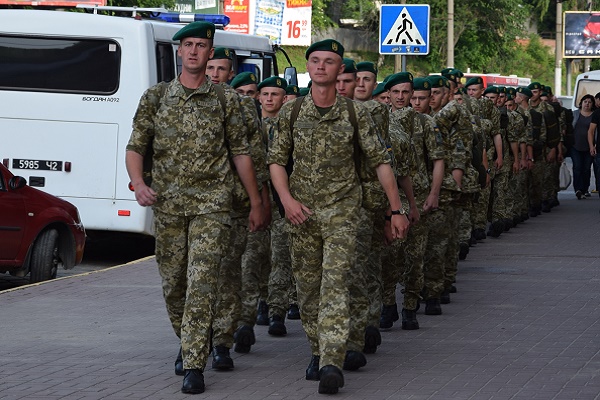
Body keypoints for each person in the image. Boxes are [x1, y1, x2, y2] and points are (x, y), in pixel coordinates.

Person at [125, 21, 264, 394]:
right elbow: (136, 147)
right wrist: (139, 184)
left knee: (202, 282)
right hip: (168, 206)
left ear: (209, 52)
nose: (193, 52)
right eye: (187, 45)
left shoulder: (226, 101)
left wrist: (255, 202)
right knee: (174, 285)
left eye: (200, 46)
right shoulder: (155, 97)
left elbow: (241, 154)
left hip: (213, 207)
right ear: (178, 51)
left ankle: (193, 363)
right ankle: (188, 341)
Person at [268, 39, 409, 395]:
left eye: (328, 62)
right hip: (302, 214)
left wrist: (396, 210)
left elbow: (381, 162)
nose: (320, 66)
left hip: (343, 212)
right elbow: (276, 162)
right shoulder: (292, 112)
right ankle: (317, 349)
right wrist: (286, 201)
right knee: (309, 288)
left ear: (339, 69)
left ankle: (331, 360)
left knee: (336, 283)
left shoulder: (355, 113)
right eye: (314, 61)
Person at [571, 94, 595, 199]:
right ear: (581, 103)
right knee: (577, 167)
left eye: (589, 102)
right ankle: (578, 189)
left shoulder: (594, 116)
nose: (587, 104)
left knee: (586, 168)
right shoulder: (574, 114)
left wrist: (593, 145)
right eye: (585, 102)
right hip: (575, 146)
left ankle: (585, 189)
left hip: (589, 146)